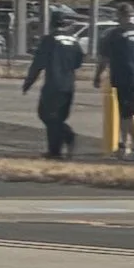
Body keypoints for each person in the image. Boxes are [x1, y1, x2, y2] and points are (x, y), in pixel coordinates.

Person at [92, 4, 134, 159]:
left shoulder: (115, 34)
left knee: (131, 113)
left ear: (119, 15)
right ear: (133, 15)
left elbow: (104, 59)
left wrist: (98, 76)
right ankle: (123, 146)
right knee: (124, 113)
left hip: (125, 77)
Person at [21, 11, 84, 160]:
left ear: (51, 23)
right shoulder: (74, 41)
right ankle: (55, 151)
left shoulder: (49, 40)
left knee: (46, 115)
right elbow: (78, 62)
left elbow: (38, 63)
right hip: (69, 84)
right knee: (57, 117)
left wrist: (29, 82)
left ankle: (67, 136)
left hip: (53, 83)